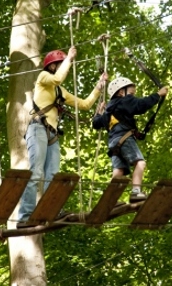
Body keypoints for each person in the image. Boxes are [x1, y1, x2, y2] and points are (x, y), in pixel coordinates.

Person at [17, 46, 107, 227]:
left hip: (52, 134)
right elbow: (57, 78)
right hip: (38, 129)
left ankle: (52, 211)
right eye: (60, 64)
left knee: (53, 175)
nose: (64, 66)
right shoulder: (43, 78)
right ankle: (25, 216)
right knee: (36, 172)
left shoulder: (61, 92)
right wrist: (70, 58)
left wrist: (99, 87)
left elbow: (84, 105)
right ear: (52, 66)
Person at [92, 77, 168, 202]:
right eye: (132, 93)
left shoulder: (108, 111)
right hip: (124, 139)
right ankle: (136, 192)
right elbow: (140, 105)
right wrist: (158, 95)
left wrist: (99, 113)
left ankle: (109, 199)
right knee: (140, 163)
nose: (133, 96)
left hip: (113, 143)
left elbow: (96, 124)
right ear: (121, 92)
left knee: (119, 171)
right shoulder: (124, 101)